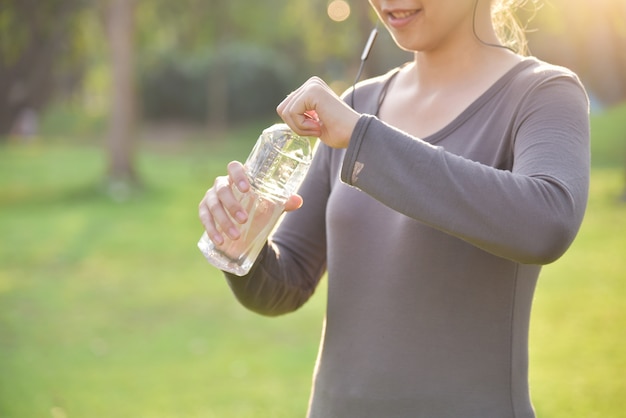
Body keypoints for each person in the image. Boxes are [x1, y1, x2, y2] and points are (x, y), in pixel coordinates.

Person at [198, 0, 590, 416]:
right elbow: (286, 282)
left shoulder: (543, 93)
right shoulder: (357, 105)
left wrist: (364, 139)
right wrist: (244, 241)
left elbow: (547, 221)